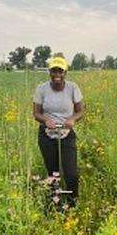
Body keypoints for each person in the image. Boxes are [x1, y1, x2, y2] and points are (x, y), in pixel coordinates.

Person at [33, 56, 84, 206]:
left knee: (71, 173)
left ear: (65, 73)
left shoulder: (72, 88)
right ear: (49, 72)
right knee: (53, 172)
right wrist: (46, 121)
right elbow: (36, 113)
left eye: (60, 71)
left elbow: (80, 110)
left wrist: (72, 119)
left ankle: (72, 202)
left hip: (66, 134)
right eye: (54, 71)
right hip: (47, 135)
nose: (57, 74)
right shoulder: (41, 89)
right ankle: (54, 201)